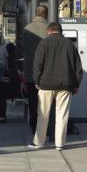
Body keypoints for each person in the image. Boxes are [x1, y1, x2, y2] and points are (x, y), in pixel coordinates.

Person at [29, 22, 83, 151]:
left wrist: (36, 80)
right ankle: (60, 143)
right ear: (60, 31)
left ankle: (39, 142)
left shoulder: (43, 43)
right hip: (66, 84)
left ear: (49, 31)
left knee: (43, 114)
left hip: (46, 84)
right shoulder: (70, 45)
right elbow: (78, 68)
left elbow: (37, 65)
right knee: (62, 114)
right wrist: (76, 84)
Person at [22, 5, 49, 134]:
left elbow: (22, 48)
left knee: (33, 102)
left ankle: (34, 126)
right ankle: (46, 127)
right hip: (46, 73)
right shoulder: (49, 29)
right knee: (46, 102)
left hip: (30, 72)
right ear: (46, 15)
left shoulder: (27, 29)